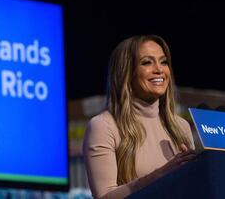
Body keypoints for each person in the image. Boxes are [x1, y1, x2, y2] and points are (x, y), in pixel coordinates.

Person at [82, 35, 196, 199]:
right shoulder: (103, 126)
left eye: (163, 62)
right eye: (147, 62)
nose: (159, 69)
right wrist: (162, 174)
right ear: (126, 73)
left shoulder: (181, 127)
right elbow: (104, 196)